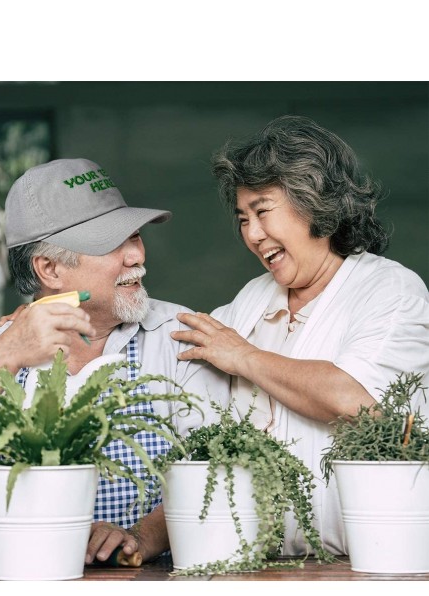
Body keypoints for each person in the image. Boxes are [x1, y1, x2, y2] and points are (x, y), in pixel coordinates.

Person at [0, 157, 230, 565]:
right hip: (28, 582)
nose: (136, 257)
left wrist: (141, 536)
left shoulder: (181, 337)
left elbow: (218, 467)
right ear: (49, 269)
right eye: (111, 243)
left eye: (135, 236)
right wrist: (8, 352)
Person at [171, 115, 429, 556]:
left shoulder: (390, 291)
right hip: (264, 565)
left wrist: (244, 357)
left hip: (368, 563)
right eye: (242, 218)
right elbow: (173, 347)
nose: (251, 235)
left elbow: (359, 401)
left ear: (315, 205)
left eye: (262, 211)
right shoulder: (250, 301)